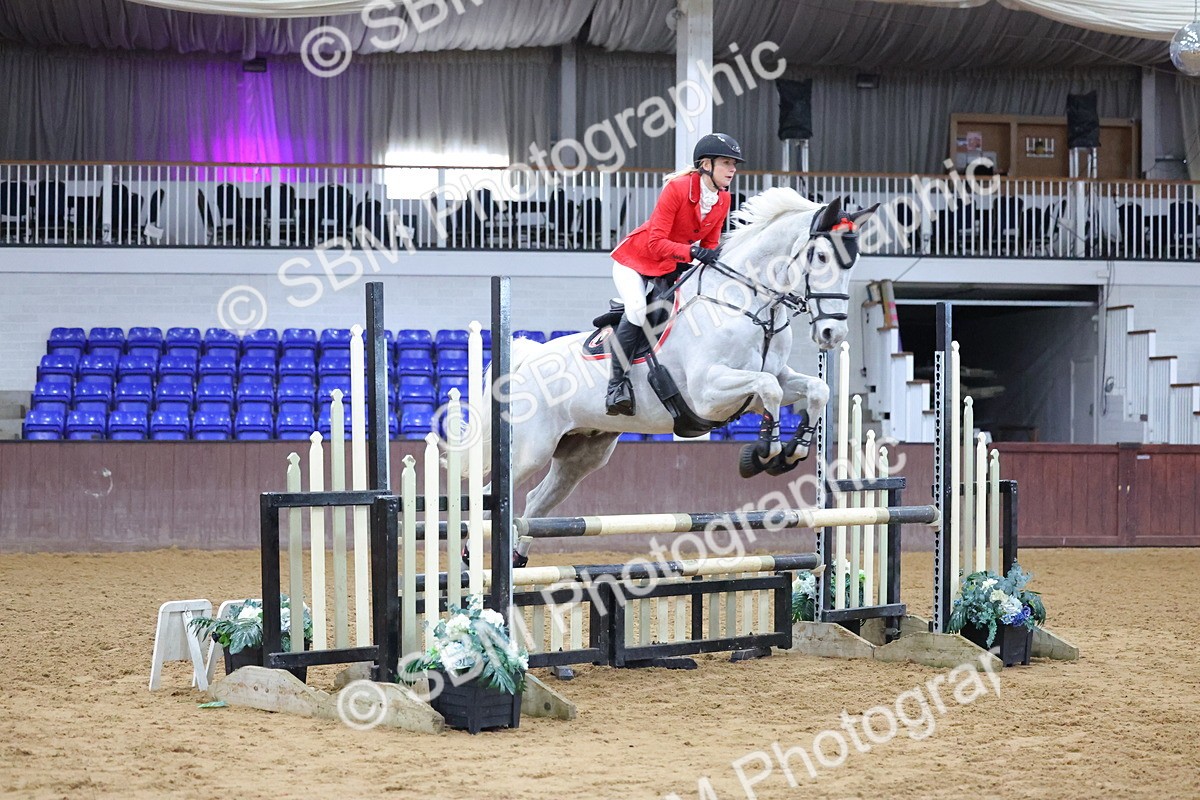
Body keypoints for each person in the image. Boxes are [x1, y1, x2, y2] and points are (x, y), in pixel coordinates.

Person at [604, 133, 744, 416]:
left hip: (670, 264)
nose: (733, 169)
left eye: (734, 164)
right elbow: (656, 242)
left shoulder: (723, 200)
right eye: (727, 163)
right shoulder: (678, 188)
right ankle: (616, 386)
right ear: (706, 164)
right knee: (637, 310)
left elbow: (710, 246)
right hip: (635, 259)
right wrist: (693, 254)